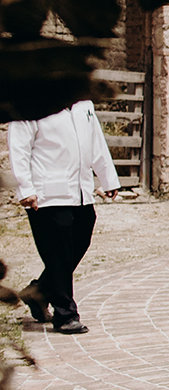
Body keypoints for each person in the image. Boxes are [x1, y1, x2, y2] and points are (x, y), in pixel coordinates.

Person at [8, 100, 119, 334]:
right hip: (46, 194)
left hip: (80, 191)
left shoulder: (84, 104)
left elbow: (96, 142)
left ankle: (39, 292)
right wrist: (25, 188)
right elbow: (18, 146)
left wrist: (108, 178)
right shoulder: (33, 101)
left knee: (79, 240)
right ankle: (65, 314)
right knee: (58, 254)